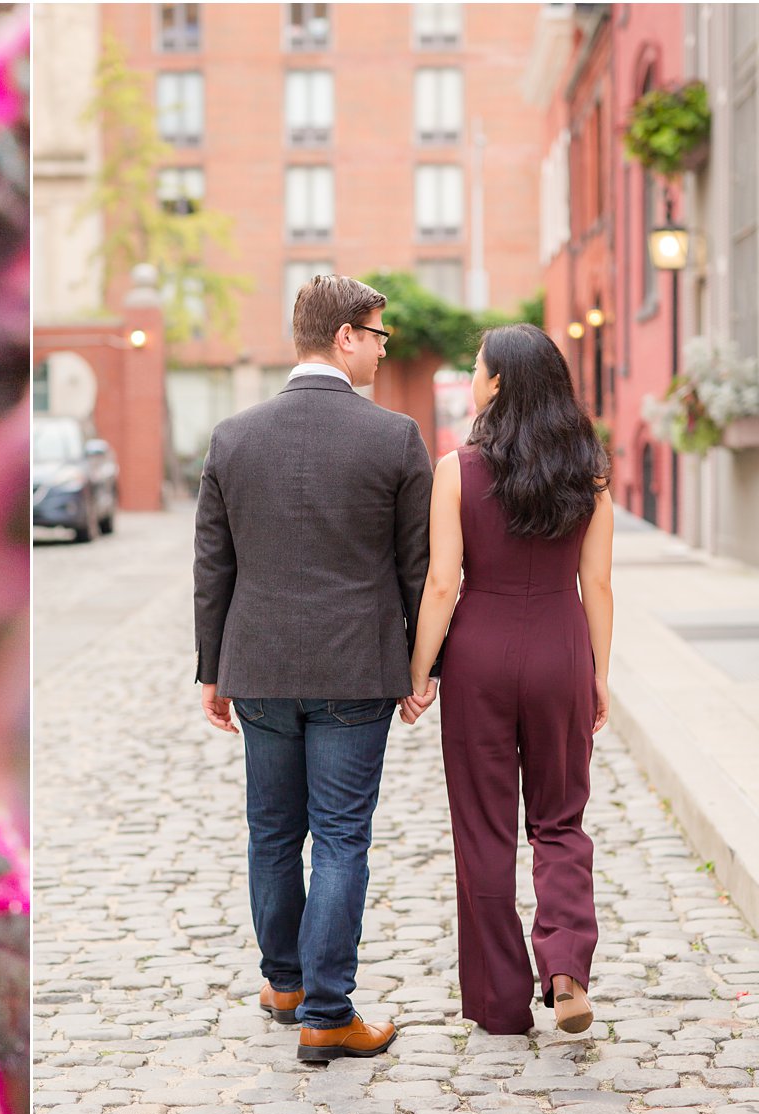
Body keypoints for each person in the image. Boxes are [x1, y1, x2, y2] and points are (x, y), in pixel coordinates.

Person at [193, 274, 434, 1062]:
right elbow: (417, 569)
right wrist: (423, 665)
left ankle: (287, 982)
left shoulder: (232, 437)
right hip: (356, 670)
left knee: (271, 830)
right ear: (345, 337)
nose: (381, 347)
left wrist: (210, 668)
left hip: (257, 665)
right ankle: (327, 1012)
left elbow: (212, 568)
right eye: (377, 334)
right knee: (337, 838)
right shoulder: (395, 437)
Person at [401, 322, 613, 1036]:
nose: (471, 375)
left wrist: (419, 672)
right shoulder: (588, 468)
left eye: (477, 367)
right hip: (560, 644)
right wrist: (599, 675)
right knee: (560, 819)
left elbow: (440, 582)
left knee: (483, 830)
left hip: (480, 653)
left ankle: (497, 1003)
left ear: (499, 384)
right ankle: (566, 970)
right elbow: (599, 585)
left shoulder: (458, 468)